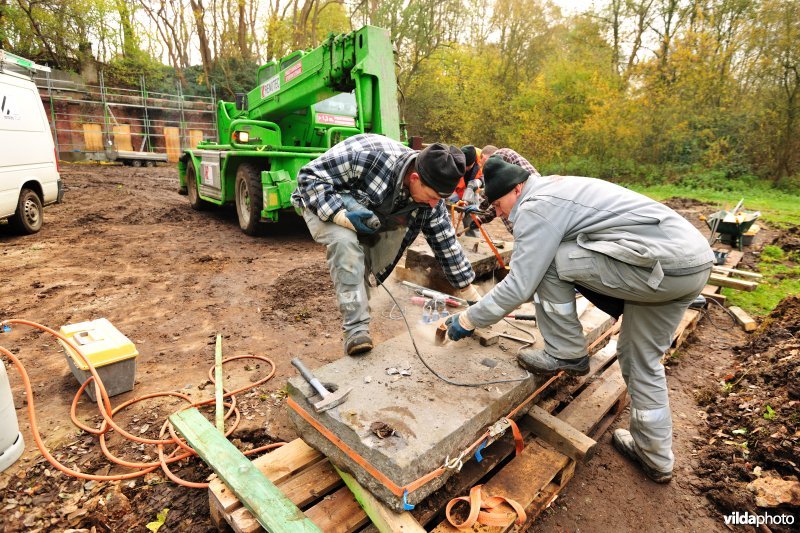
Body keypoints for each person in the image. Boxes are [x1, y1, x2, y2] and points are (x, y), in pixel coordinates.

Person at [446, 156, 714, 483]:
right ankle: (655, 455)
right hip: (690, 264)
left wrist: (468, 320)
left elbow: (520, 284)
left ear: (517, 189)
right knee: (639, 358)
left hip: (661, 267)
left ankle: (565, 351)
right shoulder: (557, 187)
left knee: (551, 264)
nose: (498, 212)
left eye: (499, 203)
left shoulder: (535, 207)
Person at [291, 133, 481, 356]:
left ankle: (359, 303)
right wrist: (339, 215)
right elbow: (308, 177)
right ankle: (355, 329)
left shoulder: (432, 202)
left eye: (439, 199)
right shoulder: (370, 158)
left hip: (367, 209)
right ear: (415, 178)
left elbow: (446, 244)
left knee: (362, 264)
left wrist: (472, 297)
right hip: (321, 198)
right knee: (346, 244)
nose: (434, 204)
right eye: (431, 196)